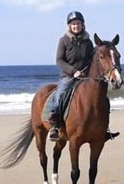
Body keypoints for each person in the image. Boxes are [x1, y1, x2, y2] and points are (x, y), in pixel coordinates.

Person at [48, 11, 119, 142]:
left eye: (78, 23)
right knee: (60, 94)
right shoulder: (63, 41)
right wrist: (73, 71)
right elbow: (59, 60)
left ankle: (104, 129)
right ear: (69, 26)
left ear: (83, 25)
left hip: (85, 76)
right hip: (68, 76)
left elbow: (93, 59)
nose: (76, 26)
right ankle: (55, 126)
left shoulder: (87, 42)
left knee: (104, 100)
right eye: (73, 24)